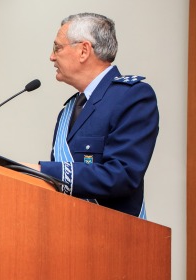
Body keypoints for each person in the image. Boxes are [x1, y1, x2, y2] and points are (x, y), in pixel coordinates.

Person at [26, 13, 159, 218]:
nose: (51, 57)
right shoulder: (69, 109)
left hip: (114, 237)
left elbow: (122, 175)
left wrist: (43, 170)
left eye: (57, 48)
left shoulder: (133, 96)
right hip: (69, 231)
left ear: (84, 50)